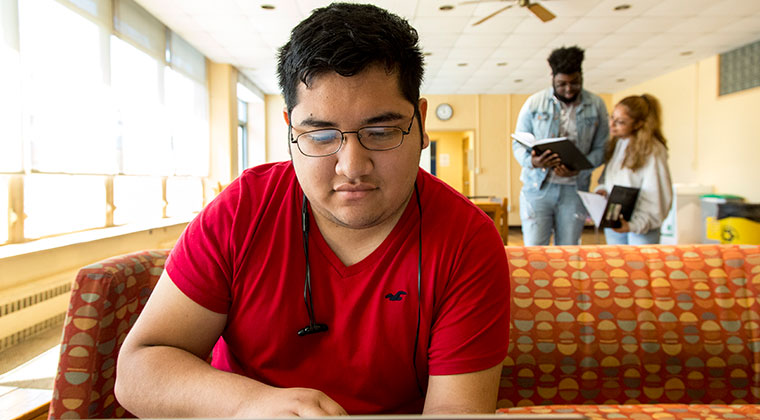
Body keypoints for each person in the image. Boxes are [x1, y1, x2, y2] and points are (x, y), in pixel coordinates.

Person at [114, 3, 510, 417]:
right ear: (290, 129)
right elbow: (139, 369)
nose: (352, 166)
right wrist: (248, 403)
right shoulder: (242, 211)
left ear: (421, 124)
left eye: (381, 131)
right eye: (321, 135)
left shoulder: (468, 241)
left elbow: (455, 411)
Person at [513, 45, 609, 246]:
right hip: (537, 189)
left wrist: (579, 167)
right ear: (552, 78)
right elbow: (518, 144)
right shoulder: (534, 103)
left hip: (574, 191)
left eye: (574, 83)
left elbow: (602, 148)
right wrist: (533, 160)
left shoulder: (596, 105)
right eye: (561, 83)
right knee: (534, 250)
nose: (568, 89)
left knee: (568, 251)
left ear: (581, 76)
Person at [595, 94, 673, 245]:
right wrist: (603, 190)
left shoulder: (653, 150)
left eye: (620, 122)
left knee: (638, 268)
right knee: (617, 266)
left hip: (640, 228)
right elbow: (609, 179)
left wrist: (633, 225)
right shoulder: (618, 144)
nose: (612, 125)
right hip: (616, 222)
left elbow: (657, 197)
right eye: (612, 118)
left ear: (638, 124)